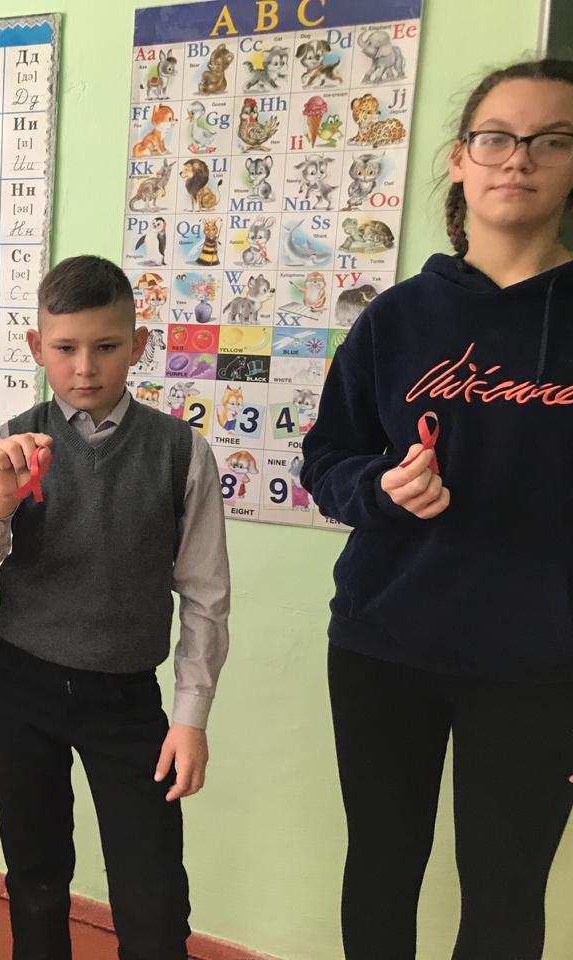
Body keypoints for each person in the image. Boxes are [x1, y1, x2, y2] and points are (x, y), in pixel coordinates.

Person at [300, 59, 573, 960]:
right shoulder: (396, 318)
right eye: (496, 138)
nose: (518, 159)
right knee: (382, 867)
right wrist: (380, 490)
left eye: (551, 141)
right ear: (460, 160)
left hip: (542, 667)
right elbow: (326, 461)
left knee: (506, 892)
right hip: (386, 646)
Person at [0, 254, 230, 960]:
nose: (85, 368)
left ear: (137, 344)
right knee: (36, 877)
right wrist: (0, 500)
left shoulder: (179, 451)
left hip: (127, 698)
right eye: (65, 348)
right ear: (37, 348)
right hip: (24, 686)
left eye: (106, 346)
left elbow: (205, 593)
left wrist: (190, 716)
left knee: (153, 894)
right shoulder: (10, 443)